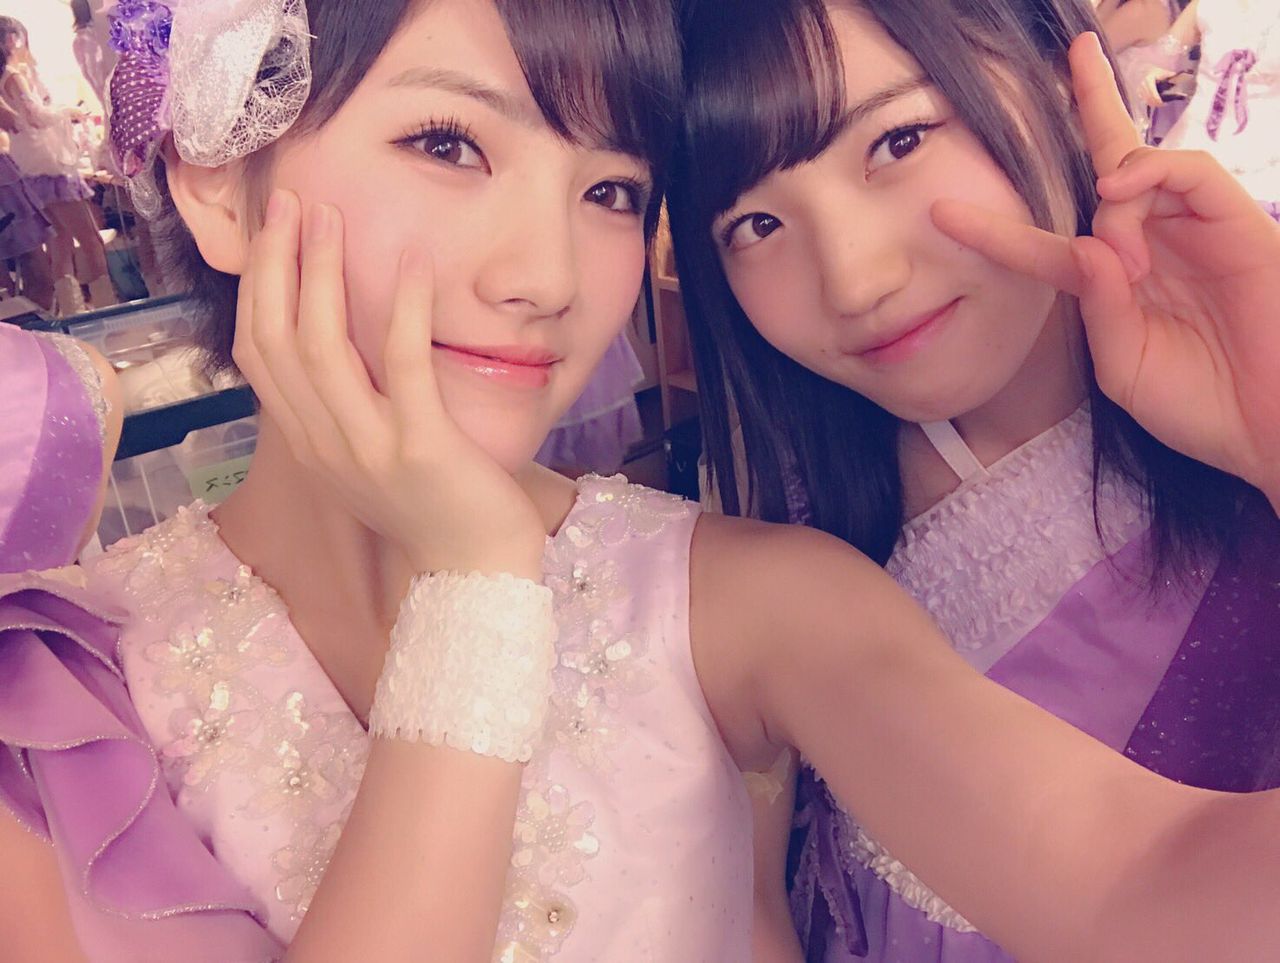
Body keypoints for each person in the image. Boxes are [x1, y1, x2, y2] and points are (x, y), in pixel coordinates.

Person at [5, 2, 1280, 962]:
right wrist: (474, 594)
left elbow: (1137, 872)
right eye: (447, 143)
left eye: (611, 190)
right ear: (219, 186)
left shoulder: (744, 602)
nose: (546, 275)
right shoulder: (57, 693)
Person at [668, 1, 1280, 959]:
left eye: (900, 139)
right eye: (756, 222)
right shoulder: (783, 499)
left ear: (1059, 76)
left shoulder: (1253, 311)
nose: (856, 279)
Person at [0, 16, 118, 314]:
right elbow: (35, 117)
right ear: (13, 40)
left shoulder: (9, 79)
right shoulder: (13, 77)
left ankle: (72, 314)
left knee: (60, 245)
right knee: (90, 240)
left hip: (29, 171)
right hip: (50, 169)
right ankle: (109, 313)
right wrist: (68, 111)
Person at [1144, 0, 1280, 217]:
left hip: (1263, 157)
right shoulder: (1206, 3)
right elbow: (1163, 53)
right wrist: (1154, 73)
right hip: (1193, 140)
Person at [1097, 0, 1191, 141]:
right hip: (1146, 131)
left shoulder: (1144, 10)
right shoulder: (1144, 11)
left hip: (1141, 129)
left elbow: (1086, 51)